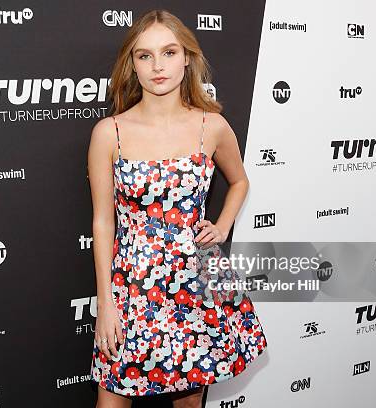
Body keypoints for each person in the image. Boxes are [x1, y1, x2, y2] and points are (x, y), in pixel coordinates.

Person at [87, 9, 268, 408]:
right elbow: (103, 221)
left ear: (187, 57)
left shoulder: (211, 126)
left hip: (198, 275)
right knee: (112, 401)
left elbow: (240, 181)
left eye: (168, 52)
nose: (157, 66)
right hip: (133, 282)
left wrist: (221, 227)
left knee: (189, 401)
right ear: (132, 64)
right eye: (144, 55)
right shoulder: (109, 132)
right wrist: (106, 303)